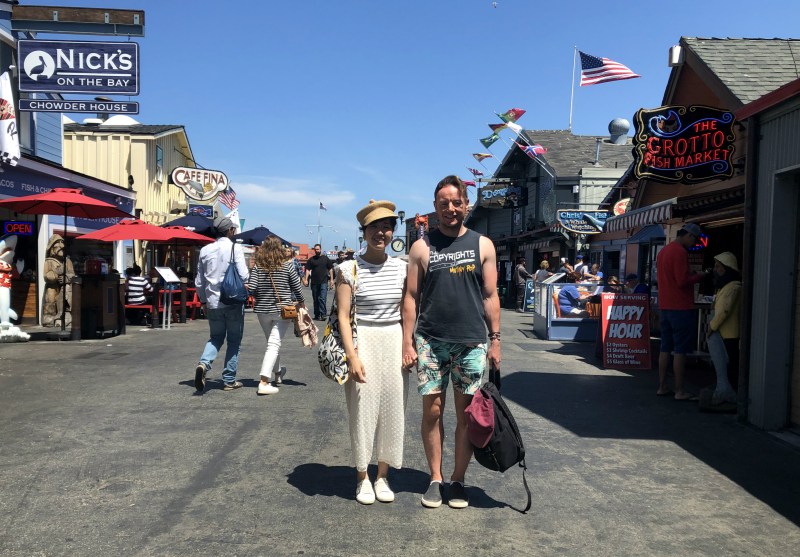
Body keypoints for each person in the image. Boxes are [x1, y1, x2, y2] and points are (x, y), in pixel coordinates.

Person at [402, 175, 500, 510]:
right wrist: (407, 343)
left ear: (466, 205)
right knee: (432, 410)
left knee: (466, 416)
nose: (450, 209)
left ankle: (458, 479)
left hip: (471, 342)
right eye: (443, 203)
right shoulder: (421, 247)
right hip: (430, 341)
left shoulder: (482, 245)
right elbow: (411, 298)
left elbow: (490, 296)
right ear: (435, 208)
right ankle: (435, 478)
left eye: (456, 202)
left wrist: (496, 340)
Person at [336, 199, 409, 505]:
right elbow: (342, 315)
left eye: (387, 227)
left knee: (393, 409)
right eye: (375, 227)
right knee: (362, 410)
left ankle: (383, 476)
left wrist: (409, 345)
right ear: (363, 232)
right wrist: (352, 355)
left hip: (394, 337)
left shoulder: (403, 269)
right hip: (362, 337)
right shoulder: (348, 269)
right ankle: (362, 477)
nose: (382, 233)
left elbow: (407, 311)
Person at [193, 217, 249, 393]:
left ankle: (204, 363)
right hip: (232, 300)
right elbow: (244, 275)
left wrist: (203, 301)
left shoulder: (205, 250)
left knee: (215, 337)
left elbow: (199, 281)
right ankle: (229, 380)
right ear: (230, 231)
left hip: (212, 302)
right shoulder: (235, 248)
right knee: (234, 341)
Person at [655, 222, 707, 401]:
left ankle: (662, 386)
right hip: (680, 307)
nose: (694, 244)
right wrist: (698, 276)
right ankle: (679, 390)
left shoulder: (663, 252)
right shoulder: (680, 252)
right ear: (689, 236)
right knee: (680, 350)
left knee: (665, 348)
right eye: (694, 240)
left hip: (665, 306)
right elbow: (682, 281)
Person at [247, 237, 306, 395]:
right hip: (282, 310)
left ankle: (278, 372)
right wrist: (301, 302)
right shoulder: (287, 266)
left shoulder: (259, 267)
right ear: (279, 249)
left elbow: (251, 287)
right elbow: (297, 287)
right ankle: (264, 382)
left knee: (271, 343)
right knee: (274, 344)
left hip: (262, 310)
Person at [703, 252, 742, 407]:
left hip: (729, 333)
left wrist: (711, 327)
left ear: (728, 268)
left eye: (719, 266)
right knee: (723, 363)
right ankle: (725, 389)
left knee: (730, 363)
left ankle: (729, 392)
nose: (716, 269)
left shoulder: (733, 287)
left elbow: (724, 311)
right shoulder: (723, 287)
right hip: (722, 332)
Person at [305, 243, 334, 320]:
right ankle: (317, 314)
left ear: (320, 249)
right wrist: (306, 279)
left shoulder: (325, 259)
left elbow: (330, 269)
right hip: (314, 282)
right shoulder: (311, 259)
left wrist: (331, 280)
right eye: (315, 249)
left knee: (322, 298)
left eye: (318, 249)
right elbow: (307, 269)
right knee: (315, 299)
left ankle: (323, 314)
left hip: (323, 282)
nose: (316, 250)